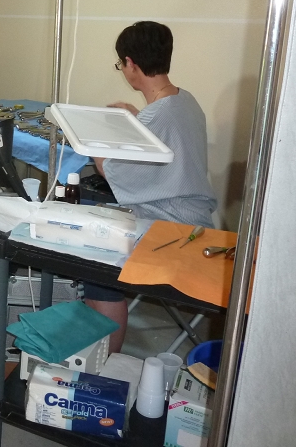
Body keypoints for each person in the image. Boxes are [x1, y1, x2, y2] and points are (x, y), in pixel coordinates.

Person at [87, 21, 217, 353]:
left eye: (121, 64)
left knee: (94, 258)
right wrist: (135, 119)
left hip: (171, 228)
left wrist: (90, 138)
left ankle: (105, 358)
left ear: (131, 64)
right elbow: (163, 140)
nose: (123, 69)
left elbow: (108, 168)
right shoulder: (185, 101)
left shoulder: (155, 117)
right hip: (198, 220)